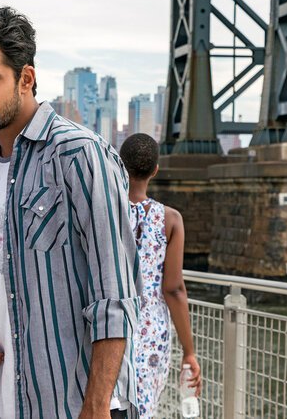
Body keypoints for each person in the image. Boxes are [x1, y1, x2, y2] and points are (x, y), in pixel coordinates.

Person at [0, 6, 142, 418]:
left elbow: (116, 299)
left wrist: (97, 407)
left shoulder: (79, 156)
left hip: (72, 405)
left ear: (26, 78)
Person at [119, 133, 201, 418]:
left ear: (119, 164)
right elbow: (174, 289)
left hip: (109, 326)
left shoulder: (104, 212)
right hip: (152, 333)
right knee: (143, 409)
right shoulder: (170, 219)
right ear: (155, 170)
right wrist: (188, 352)